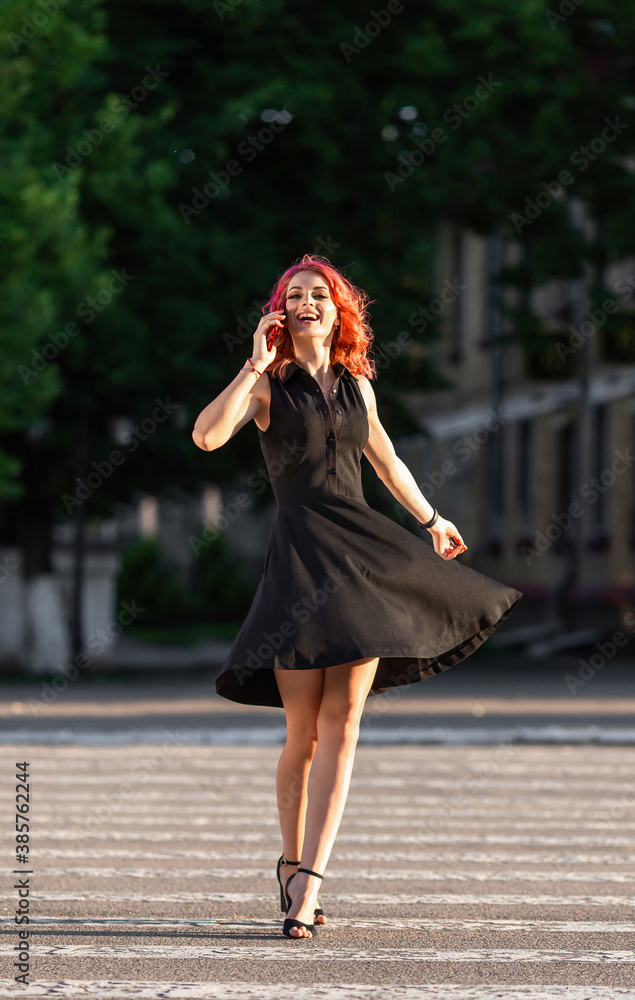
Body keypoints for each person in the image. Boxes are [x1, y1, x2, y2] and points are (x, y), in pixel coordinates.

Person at [192, 254, 523, 939]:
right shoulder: (267, 388)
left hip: (362, 560)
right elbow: (205, 436)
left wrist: (432, 520)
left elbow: (387, 461)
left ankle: (308, 886)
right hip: (297, 562)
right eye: (295, 294)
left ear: (339, 311)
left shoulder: (357, 388)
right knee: (302, 737)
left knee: (343, 729)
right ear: (278, 311)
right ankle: (288, 864)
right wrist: (254, 362)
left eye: (319, 294)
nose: (308, 301)